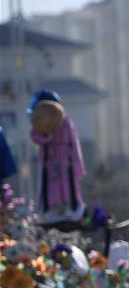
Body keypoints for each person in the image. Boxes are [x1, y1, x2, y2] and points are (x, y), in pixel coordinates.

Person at [28, 90, 86, 222]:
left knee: (67, 187)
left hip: (66, 163)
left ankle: (70, 211)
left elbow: (73, 143)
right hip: (50, 163)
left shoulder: (66, 122)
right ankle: (52, 212)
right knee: (50, 188)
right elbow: (36, 137)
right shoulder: (41, 125)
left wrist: (76, 165)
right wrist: (47, 134)